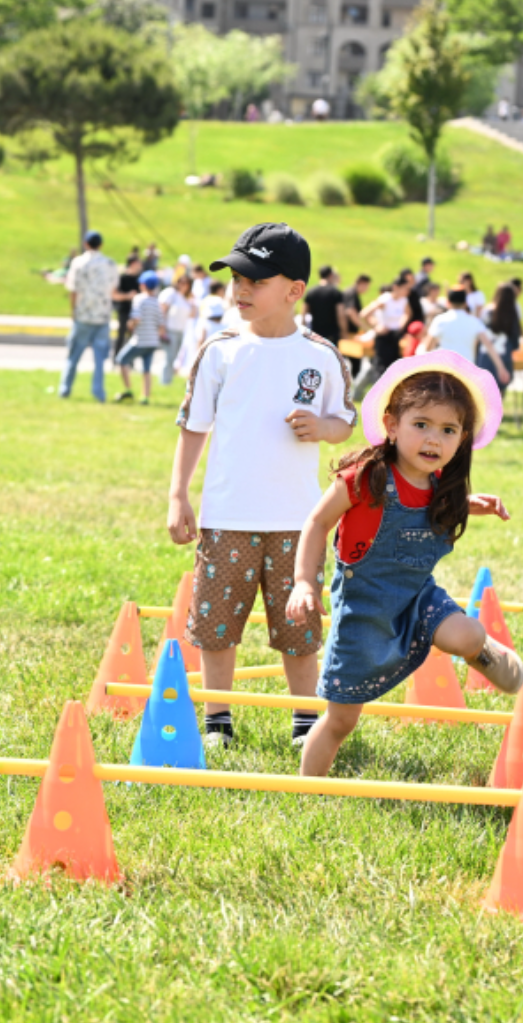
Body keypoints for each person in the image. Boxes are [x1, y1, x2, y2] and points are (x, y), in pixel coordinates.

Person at [284, 351, 523, 776]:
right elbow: (318, 522)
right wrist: (304, 582)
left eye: (448, 430)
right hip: (362, 611)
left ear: (462, 439)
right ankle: (308, 789)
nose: (433, 440)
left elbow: (426, 506)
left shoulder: (439, 485)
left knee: (466, 634)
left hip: (417, 598)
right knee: (341, 721)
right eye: (421, 425)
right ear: (392, 425)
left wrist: (471, 505)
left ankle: (484, 652)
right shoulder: (365, 477)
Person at [169, 221, 356, 749]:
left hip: (299, 522)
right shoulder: (220, 351)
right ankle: (218, 723)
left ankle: (303, 721)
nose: (241, 289)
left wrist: (323, 429)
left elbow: (344, 421)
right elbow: (193, 426)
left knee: (299, 629)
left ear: (294, 291)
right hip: (227, 517)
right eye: (236, 279)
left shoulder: (320, 355)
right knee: (215, 624)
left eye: (255, 279)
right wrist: (178, 495)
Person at [60, 230, 117, 402]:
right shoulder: (109, 264)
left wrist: (73, 310)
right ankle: (99, 392)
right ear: (100, 245)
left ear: (85, 243)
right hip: (103, 316)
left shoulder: (78, 263)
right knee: (100, 359)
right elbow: (113, 289)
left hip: (83, 315)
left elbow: (73, 290)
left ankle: (65, 388)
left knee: (73, 355)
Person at [420, 287, 511, 386]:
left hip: (445, 370)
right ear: (465, 303)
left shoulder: (440, 321)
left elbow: (428, 347)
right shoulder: (474, 322)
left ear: (448, 302)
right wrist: (501, 367)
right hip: (466, 372)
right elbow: (489, 345)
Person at [353, 272, 413, 401]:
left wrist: (401, 324)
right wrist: (376, 327)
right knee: (381, 367)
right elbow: (364, 314)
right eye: (405, 288)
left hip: (394, 335)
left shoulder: (404, 300)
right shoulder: (386, 299)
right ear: (397, 287)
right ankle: (378, 397)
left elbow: (408, 313)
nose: (407, 291)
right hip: (383, 337)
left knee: (395, 365)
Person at [115, 270, 166, 405]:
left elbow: (136, 318)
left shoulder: (139, 299)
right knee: (147, 369)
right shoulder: (157, 302)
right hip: (152, 341)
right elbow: (161, 325)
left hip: (140, 340)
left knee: (121, 360)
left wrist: (130, 325)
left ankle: (128, 389)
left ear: (142, 285)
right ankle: (145, 397)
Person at [481, 280, 523, 393]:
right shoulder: (512, 314)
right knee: (498, 396)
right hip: (504, 356)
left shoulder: (487, 311)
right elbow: (515, 340)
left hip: (485, 356)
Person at [157, 272, 194, 386]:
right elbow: (162, 310)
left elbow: (192, 314)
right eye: (180, 282)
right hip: (170, 330)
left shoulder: (186, 298)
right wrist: (161, 327)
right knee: (169, 357)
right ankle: (164, 382)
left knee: (174, 358)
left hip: (181, 331)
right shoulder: (170, 293)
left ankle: (168, 380)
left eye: (186, 283)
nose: (183, 285)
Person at [303, 265, 347, 346]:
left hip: (316, 334)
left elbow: (304, 313)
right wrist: (344, 332)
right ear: (330, 275)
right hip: (332, 335)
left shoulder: (311, 292)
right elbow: (340, 315)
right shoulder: (335, 292)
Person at [111, 254, 141, 351]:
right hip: (124, 310)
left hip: (135, 311)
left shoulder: (139, 279)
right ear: (133, 264)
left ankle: (129, 360)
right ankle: (116, 358)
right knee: (121, 335)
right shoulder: (122, 278)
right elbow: (115, 295)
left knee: (133, 337)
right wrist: (128, 296)